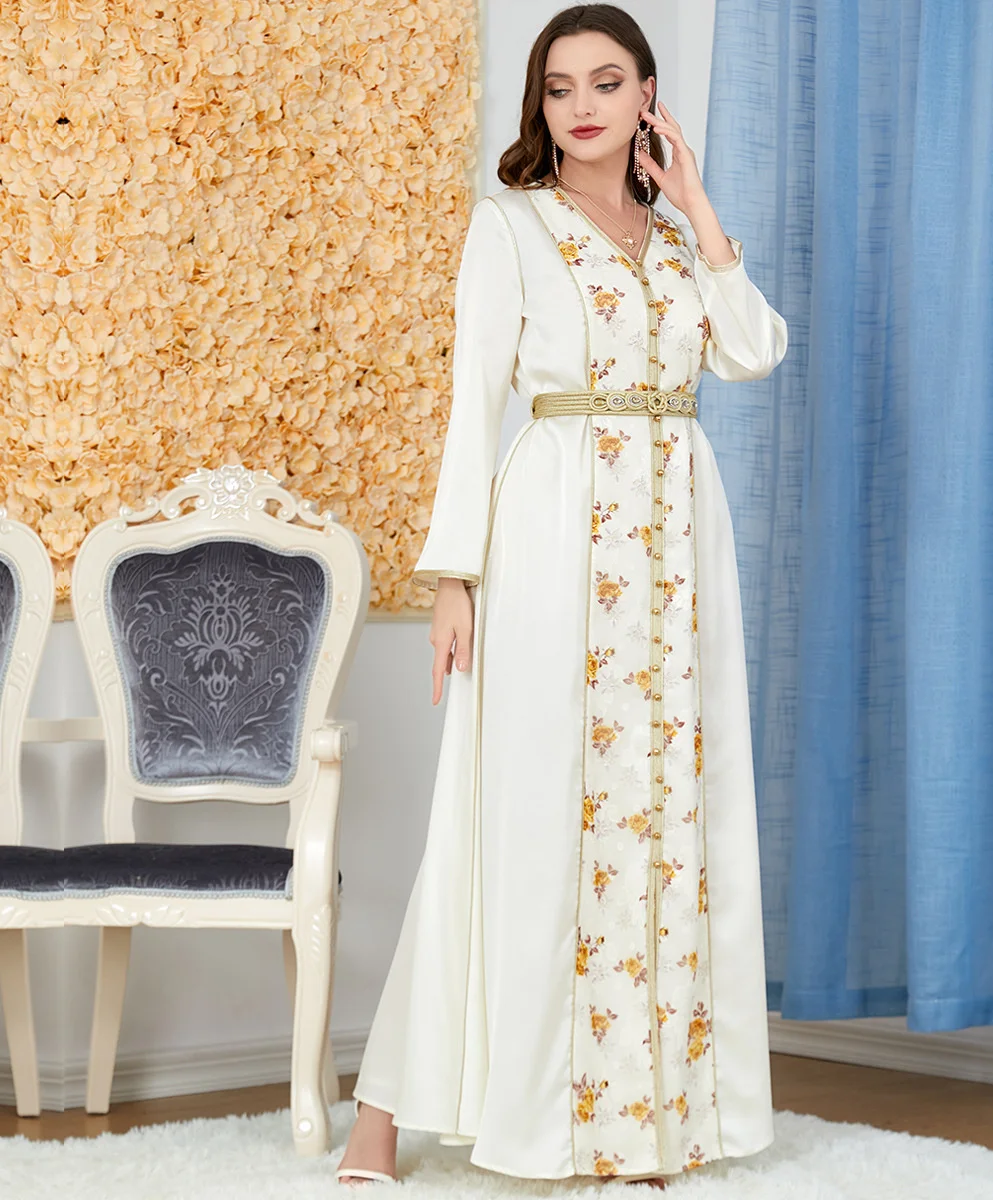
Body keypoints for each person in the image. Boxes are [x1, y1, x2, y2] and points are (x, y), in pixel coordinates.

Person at [336, 3, 787, 1188]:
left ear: (648, 98)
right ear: (539, 104)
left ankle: (638, 1118)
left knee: (662, 823)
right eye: (558, 86)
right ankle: (386, 1108)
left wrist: (697, 204)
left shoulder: (680, 246)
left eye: (607, 81)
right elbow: (472, 404)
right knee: (521, 824)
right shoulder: (511, 226)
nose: (582, 105)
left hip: (678, 564)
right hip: (550, 543)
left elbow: (753, 352)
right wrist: (453, 578)